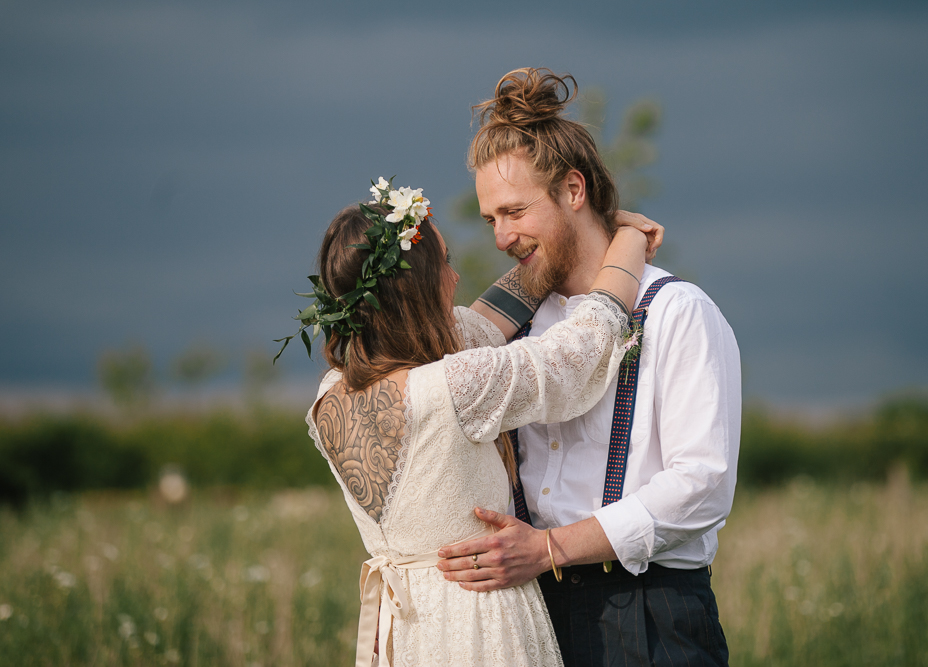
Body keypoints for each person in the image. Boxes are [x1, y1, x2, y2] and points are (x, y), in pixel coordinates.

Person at [286, 176, 661, 666]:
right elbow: (581, 351)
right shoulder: (455, 385)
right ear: (415, 290)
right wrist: (629, 240)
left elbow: (483, 320)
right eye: (445, 263)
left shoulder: (327, 397)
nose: (455, 277)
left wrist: (568, 235)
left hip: (401, 631)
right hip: (480, 620)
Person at [436, 68, 741, 666]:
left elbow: (703, 485)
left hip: (648, 612)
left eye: (515, 211)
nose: (501, 236)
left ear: (573, 191)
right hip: (532, 611)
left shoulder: (678, 311)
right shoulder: (515, 322)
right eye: (490, 218)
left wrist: (550, 548)